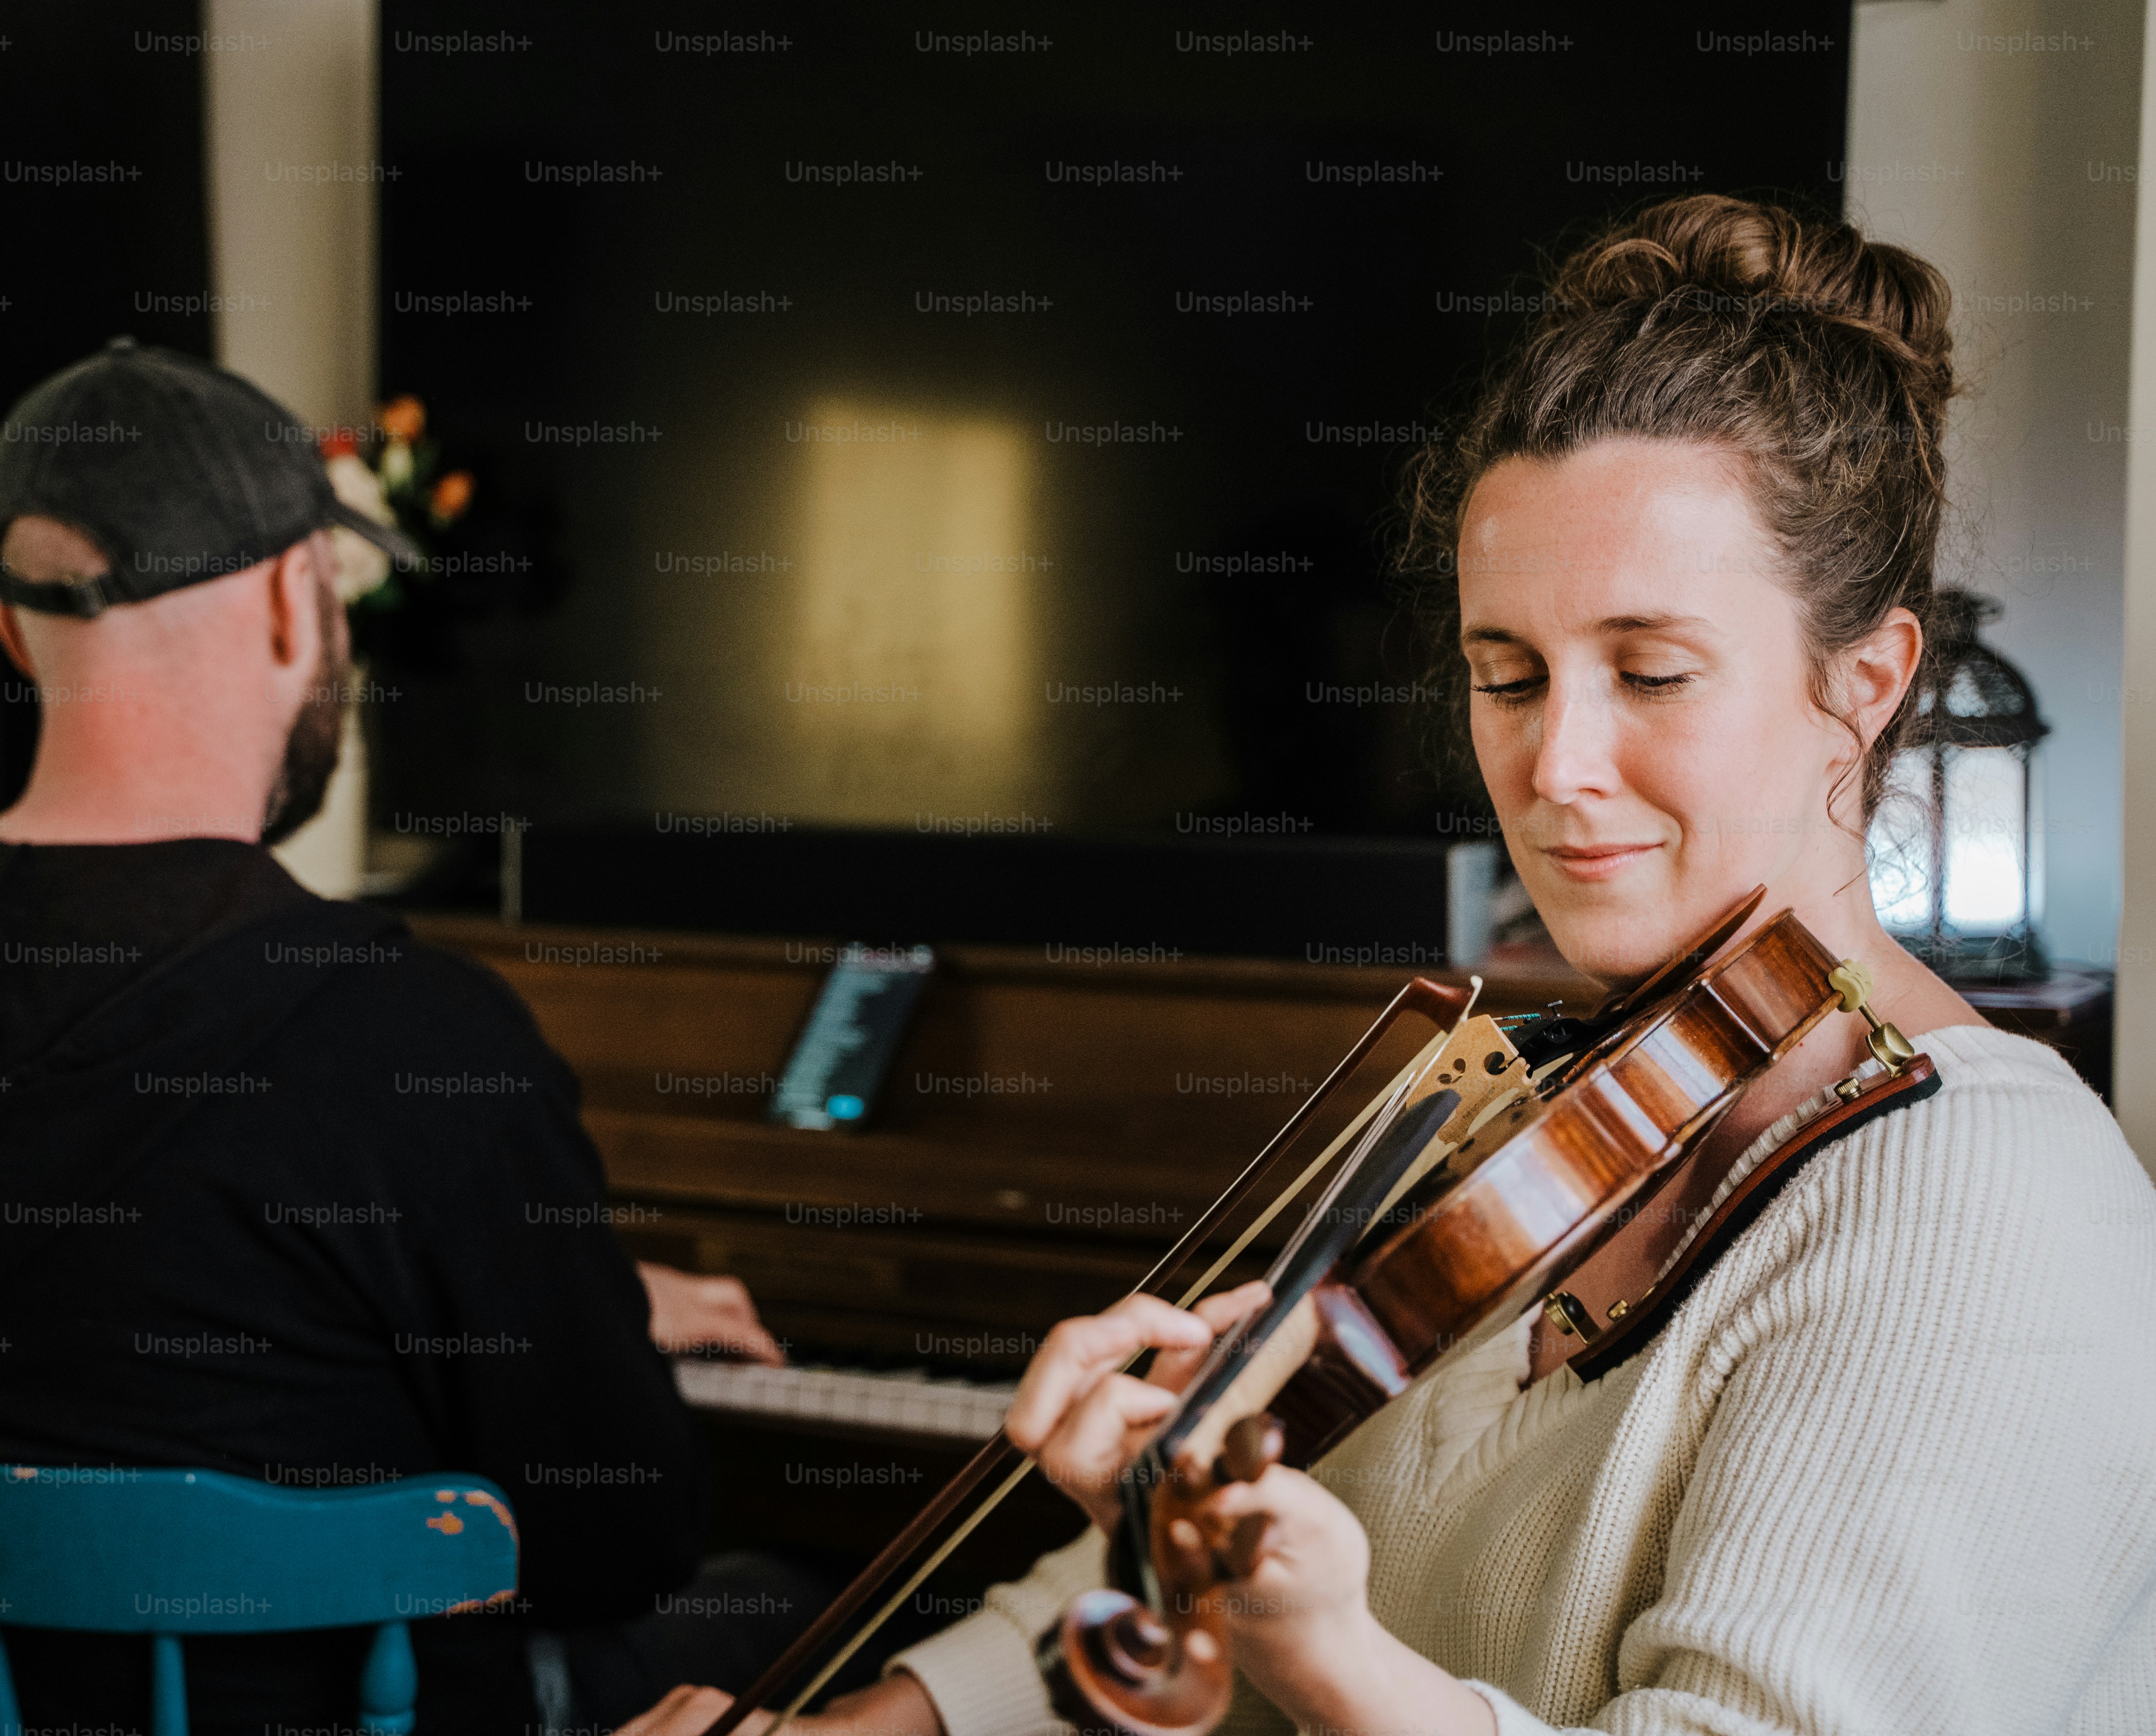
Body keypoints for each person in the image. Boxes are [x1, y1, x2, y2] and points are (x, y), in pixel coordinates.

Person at [625, 196, 2156, 1736]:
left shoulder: (1981, 1199)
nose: (1555, 764)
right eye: (1506, 675)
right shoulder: (1530, 1125)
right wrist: (828, 1734)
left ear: (1867, 683)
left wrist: (1323, 1657)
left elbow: (1329, 1642)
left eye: (1652, 673)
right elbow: (1150, 1593)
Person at [0, 338, 792, 1734]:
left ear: (14, 627)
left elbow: (93, 1309)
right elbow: (618, 1549)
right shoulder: (409, 1037)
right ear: (296, 599)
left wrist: (556, 1287)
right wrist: (550, 1312)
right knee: (807, 1595)